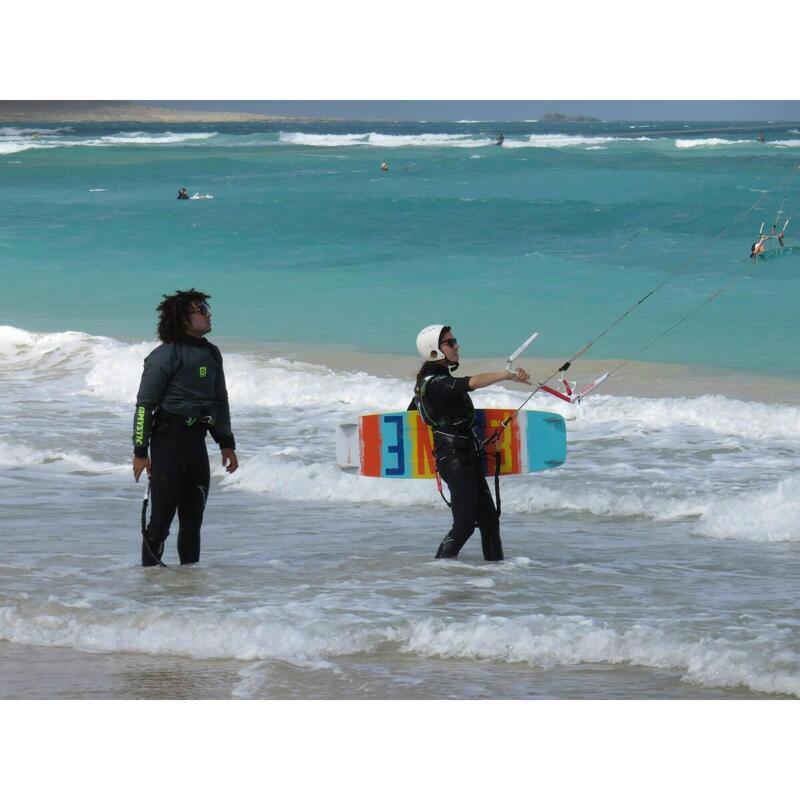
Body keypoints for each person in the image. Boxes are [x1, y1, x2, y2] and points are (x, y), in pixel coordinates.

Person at [132, 289, 238, 566]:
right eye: (201, 309)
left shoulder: (212, 354)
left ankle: (189, 594)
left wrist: (226, 442)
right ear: (182, 318)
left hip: (196, 444)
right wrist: (140, 452)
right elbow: (144, 406)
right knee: (160, 522)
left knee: (193, 523)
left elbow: (219, 401)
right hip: (168, 441)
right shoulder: (165, 356)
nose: (208, 313)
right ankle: (150, 587)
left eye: (205, 307)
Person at [409, 325, 530, 561]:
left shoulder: (431, 382)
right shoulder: (435, 383)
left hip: (466, 456)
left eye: (455, 340)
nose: (456, 346)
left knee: (489, 520)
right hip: (454, 461)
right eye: (450, 343)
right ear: (435, 351)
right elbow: (470, 383)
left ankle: (496, 573)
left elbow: (415, 412)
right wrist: (506, 375)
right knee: (464, 525)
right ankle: (440, 571)